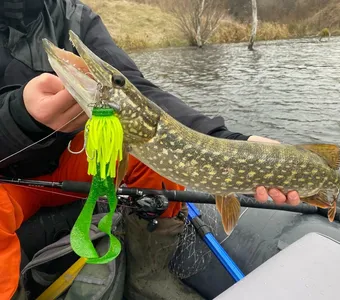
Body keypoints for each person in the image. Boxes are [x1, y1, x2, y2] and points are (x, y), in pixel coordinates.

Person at [0, 0, 300, 299]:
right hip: (6, 177)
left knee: (152, 159)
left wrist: (229, 140)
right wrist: (19, 117)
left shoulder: (73, 14)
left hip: (72, 159)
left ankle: (149, 275)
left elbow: (137, 91)